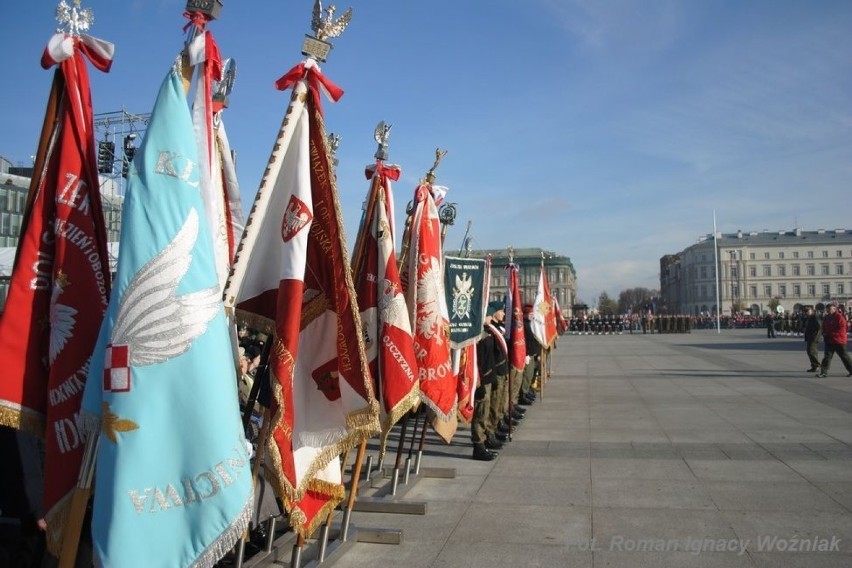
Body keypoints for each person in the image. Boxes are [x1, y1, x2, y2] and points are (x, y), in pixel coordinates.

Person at [816, 303, 852, 378]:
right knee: (827, 357)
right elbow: (824, 326)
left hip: (839, 340)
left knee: (844, 357)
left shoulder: (839, 317)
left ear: (834, 309)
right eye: (827, 309)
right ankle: (824, 372)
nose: (828, 311)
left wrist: (830, 334)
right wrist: (824, 332)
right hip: (829, 340)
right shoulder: (826, 317)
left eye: (830, 309)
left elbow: (842, 329)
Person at [802, 306, 822, 373]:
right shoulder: (809, 318)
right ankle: (814, 366)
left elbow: (819, 328)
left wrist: (816, 337)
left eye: (808, 311)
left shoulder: (815, 317)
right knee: (810, 351)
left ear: (812, 311)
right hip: (810, 337)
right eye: (805, 312)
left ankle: (816, 366)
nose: (806, 313)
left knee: (811, 351)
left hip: (814, 337)